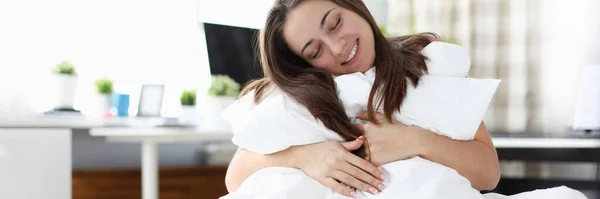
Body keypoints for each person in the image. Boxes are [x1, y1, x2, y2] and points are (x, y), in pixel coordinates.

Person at [222, 0, 586, 198]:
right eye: (315, 50)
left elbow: (488, 174)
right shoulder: (297, 100)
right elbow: (234, 178)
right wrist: (305, 156)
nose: (338, 47)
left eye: (335, 23)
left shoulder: (422, 63)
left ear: (353, 6)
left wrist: (413, 140)